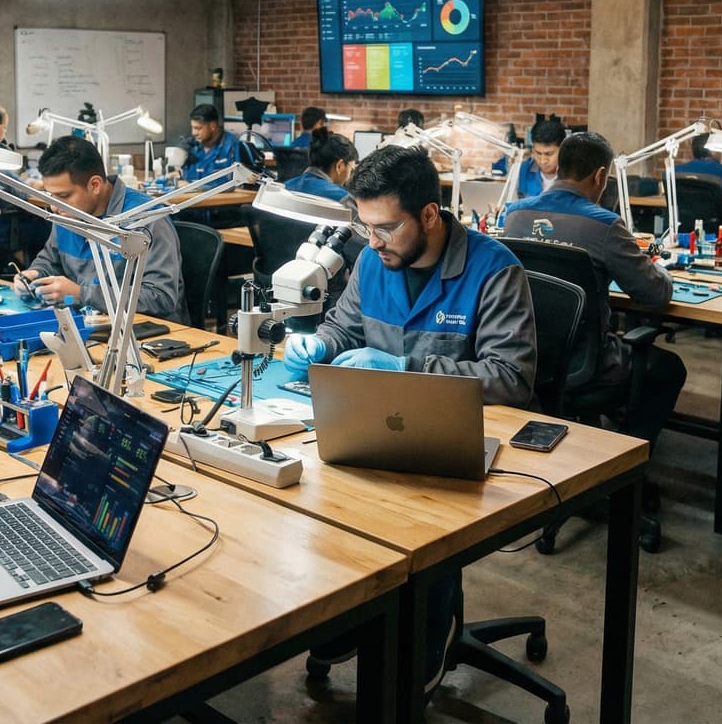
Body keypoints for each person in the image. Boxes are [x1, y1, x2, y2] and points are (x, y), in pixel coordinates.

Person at [282, 144, 537, 694]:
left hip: (449, 448)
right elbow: (344, 329)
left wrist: (407, 365)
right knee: (308, 497)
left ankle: (424, 641)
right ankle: (350, 618)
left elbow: (511, 377)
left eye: (385, 228)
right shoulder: (373, 261)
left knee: (424, 537)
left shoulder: (494, 270)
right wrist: (318, 344)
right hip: (374, 432)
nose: (371, 241)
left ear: (428, 215)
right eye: (363, 225)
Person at [500, 132, 687, 446]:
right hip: (586, 365)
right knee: (669, 368)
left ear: (560, 166)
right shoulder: (606, 225)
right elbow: (655, 294)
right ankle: (627, 460)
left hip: (525, 355)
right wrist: (659, 268)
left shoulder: (515, 215)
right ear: (601, 175)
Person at [21, 135, 184, 321]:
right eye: (50, 196)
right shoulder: (66, 215)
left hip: (146, 333)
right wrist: (34, 275)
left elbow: (161, 297)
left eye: (64, 196)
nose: (54, 207)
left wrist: (81, 293)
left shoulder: (147, 220)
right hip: (89, 324)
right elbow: (50, 260)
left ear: (95, 185)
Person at [282, 129, 357, 202]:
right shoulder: (344, 198)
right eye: (351, 170)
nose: (349, 176)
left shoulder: (284, 187)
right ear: (339, 166)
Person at [182, 102, 244, 179]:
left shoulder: (234, 146)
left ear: (212, 126)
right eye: (193, 127)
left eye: (198, 128)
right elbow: (187, 176)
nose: (194, 133)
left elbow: (241, 184)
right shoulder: (193, 147)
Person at [509, 116, 566, 199]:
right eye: (538, 153)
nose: (542, 161)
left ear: (562, 149)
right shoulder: (523, 171)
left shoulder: (572, 177)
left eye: (549, 154)